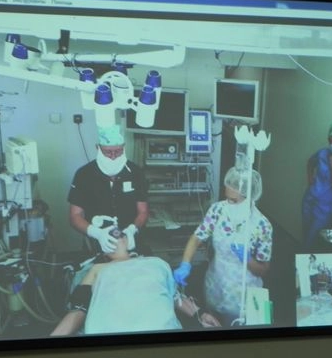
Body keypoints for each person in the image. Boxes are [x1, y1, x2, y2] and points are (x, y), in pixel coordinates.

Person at [50, 228, 221, 336]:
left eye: (120, 232)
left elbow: (176, 298)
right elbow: (79, 310)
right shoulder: (98, 269)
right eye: (109, 233)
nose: (116, 232)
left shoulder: (156, 263)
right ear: (103, 251)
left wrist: (201, 314)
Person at [172, 167, 273, 326]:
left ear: (249, 197)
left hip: (242, 293)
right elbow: (197, 237)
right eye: (227, 198)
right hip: (216, 284)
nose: (229, 203)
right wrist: (185, 264)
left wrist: (248, 260)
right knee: (211, 324)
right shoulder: (218, 210)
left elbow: (263, 269)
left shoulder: (262, 225)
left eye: (234, 200)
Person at [68, 124, 149, 253]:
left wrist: (132, 229)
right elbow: (75, 216)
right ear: (98, 148)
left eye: (118, 151)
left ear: (124, 147)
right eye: (108, 152)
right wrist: (97, 233)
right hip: (96, 242)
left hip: (130, 241)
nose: (113, 156)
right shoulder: (84, 175)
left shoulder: (136, 173)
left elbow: (143, 211)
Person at [301, 121, 332, 250]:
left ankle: (306, 258)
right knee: (305, 233)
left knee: (312, 239)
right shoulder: (323, 153)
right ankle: (301, 256)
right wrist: (310, 178)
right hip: (310, 199)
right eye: (330, 140)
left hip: (325, 208)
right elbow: (310, 162)